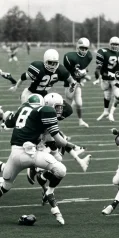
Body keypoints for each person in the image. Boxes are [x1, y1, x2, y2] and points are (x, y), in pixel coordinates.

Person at [1, 94, 82, 225]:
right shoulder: (47, 110)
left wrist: (3, 114)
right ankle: (49, 191)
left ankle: (47, 189)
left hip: (15, 154)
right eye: (57, 107)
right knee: (60, 170)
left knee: (5, 186)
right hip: (31, 154)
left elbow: (9, 121)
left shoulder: (24, 108)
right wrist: (72, 147)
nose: (59, 110)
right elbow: (59, 141)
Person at [9, 49, 78, 103]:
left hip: (44, 94)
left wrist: (72, 88)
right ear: (45, 61)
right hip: (30, 93)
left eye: (55, 63)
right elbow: (23, 76)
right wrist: (16, 86)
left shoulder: (61, 71)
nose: (53, 66)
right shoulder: (39, 69)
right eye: (50, 63)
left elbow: (72, 81)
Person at [95, 36, 119, 122]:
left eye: (116, 44)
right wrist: (98, 77)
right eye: (113, 44)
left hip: (116, 77)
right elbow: (98, 68)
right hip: (106, 77)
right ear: (109, 44)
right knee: (107, 95)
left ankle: (111, 113)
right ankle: (105, 112)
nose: (114, 46)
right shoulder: (103, 52)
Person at [63, 37, 93, 128]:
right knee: (69, 98)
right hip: (69, 81)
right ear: (77, 48)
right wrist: (84, 75)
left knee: (79, 103)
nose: (84, 50)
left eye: (85, 48)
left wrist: (84, 74)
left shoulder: (89, 56)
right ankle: (56, 111)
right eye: (82, 48)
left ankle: (80, 120)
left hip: (77, 82)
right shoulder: (70, 57)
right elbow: (72, 72)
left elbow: (83, 68)